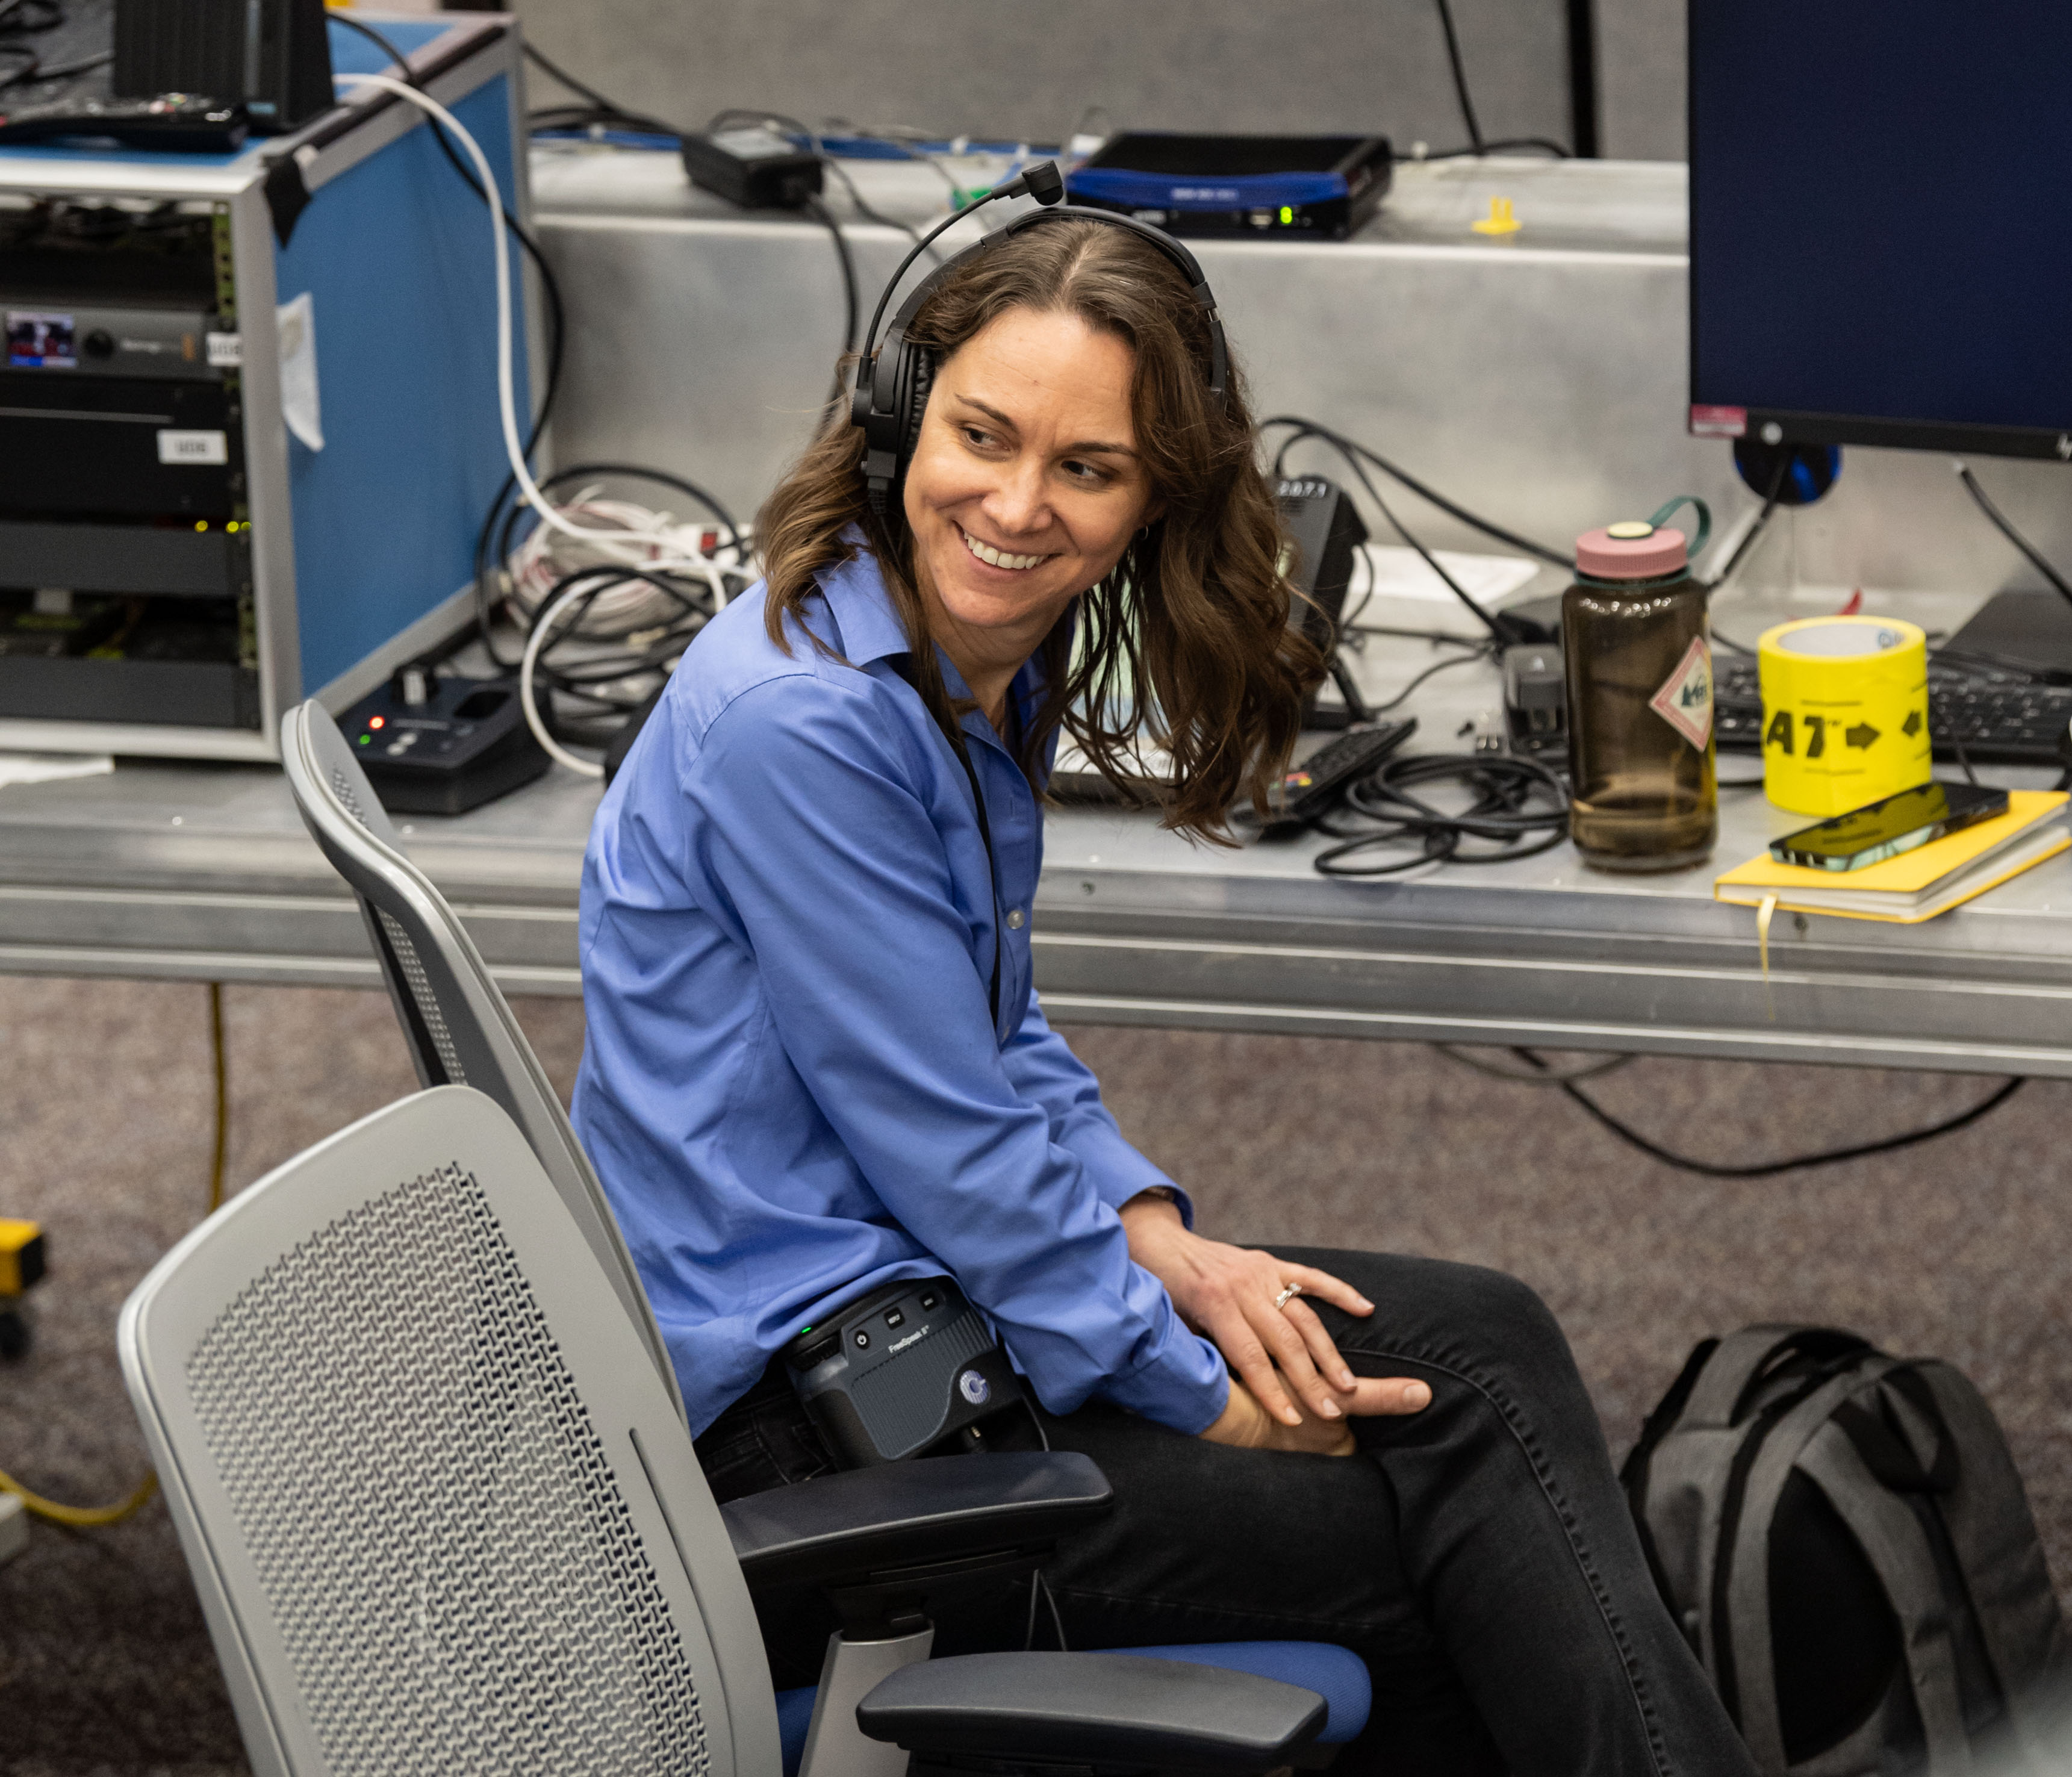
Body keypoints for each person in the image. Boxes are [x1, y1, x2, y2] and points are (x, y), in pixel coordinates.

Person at [573, 215, 1760, 1777]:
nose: (1013, 504)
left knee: (1477, 1342)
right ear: (893, 416)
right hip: (801, 1423)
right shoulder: (809, 719)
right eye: (980, 435)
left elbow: (987, 1027)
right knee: (1441, 1521)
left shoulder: (954, 646)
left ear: (1152, 497)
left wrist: (1152, 1229)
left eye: (1087, 467)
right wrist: (1186, 1374)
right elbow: (952, 1147)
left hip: (908, 1306)